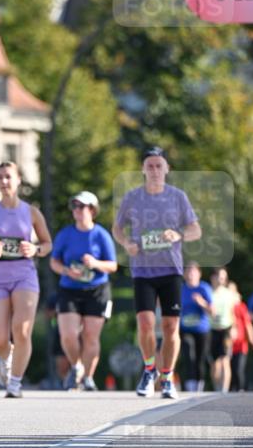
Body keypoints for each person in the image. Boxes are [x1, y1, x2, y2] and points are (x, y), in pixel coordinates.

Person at [112, 146, 201, 400]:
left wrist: (179, 234)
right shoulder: (132, 197)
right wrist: (126, 243)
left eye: (158, 165)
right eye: (149, 166)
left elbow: (196, 230)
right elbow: (117, 228)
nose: (154, 170)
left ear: (166, 169)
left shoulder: (178, 197)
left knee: (171, 326)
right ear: (143, 169)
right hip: (143, 270)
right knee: (145, 323)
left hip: (171, 269)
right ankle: (149, 370)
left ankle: (168, 376)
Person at [0, 161, 52, 398]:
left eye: (8, 176)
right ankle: (6, 357)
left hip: (24, 275)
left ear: (18, 180)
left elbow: (47, 244)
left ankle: (15, 383)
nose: (4, 181)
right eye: (0, 177)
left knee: (22, 329)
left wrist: (35, 249)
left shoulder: (31, 212)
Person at [49, 190, 117, 391]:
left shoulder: (101, 235)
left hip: (97, 290)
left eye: (82, 206)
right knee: (68, 335)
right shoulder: (65, 234)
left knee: (90, 336)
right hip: (69, 289)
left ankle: (88, 377)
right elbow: (54, 262)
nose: (77, 210)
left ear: (92, 210)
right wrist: (66, 271)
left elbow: (113, 265)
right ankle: (76, 366)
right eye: (74, 206)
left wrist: (95, 263)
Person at [179, 262, 212, 393]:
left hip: (202, 330)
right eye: (188, 271)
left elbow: (212, 311)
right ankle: (189, 385)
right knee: (188, 354)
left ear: (199, 274)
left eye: (193, 271)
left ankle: (199, 385)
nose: (190, 274)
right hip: (185, 329)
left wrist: (202, 302)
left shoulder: (204, 288)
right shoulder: (181, 289)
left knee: (200, 359)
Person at [209, 268, 238, 392]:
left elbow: (233, 312)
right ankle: (216, 388)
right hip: (211, 329)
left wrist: (234, 327)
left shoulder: (229, 294)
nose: (222, 279)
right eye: (219, 276)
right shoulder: (208, 292)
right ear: (213, 278)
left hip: (226, 328)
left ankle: (224, 390)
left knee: (225, 360)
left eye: (224, 277)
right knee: (214, 363)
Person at [229, 282, 253, 392]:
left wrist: (252, 340)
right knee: (230, 368)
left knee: (238, 368)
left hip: (241, 344)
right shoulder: (224, 307)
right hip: (228, 344)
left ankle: (240, 389)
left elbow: (248, 324)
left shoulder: (241, 307)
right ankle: (229, 390)